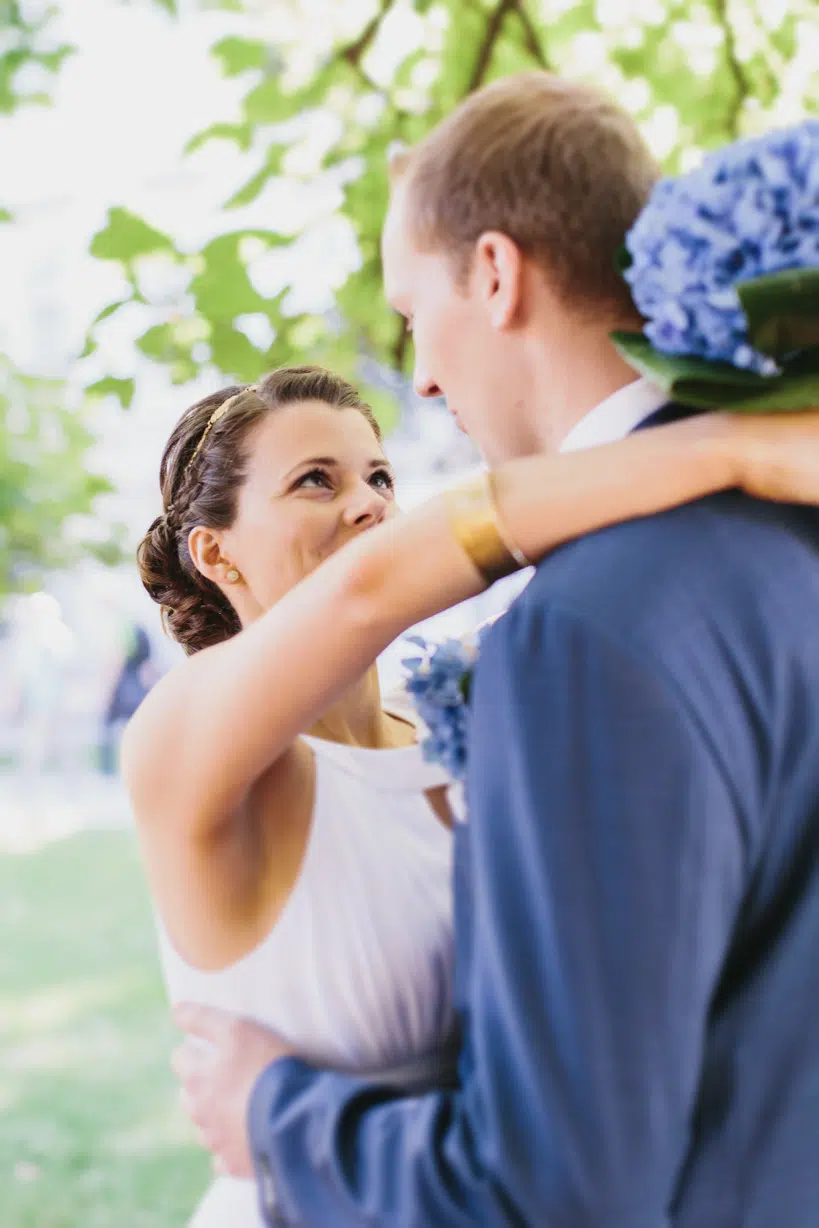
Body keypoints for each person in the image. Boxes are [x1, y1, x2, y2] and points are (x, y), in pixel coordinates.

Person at [172, 75, 819, 1227]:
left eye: (414, 315)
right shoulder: (784, 522)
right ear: (210, 553)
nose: (420, 376)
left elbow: (557, 1186)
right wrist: (721, 446)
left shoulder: (584, 630)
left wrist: (274, 1106)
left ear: (495, 272)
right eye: (315, 479)